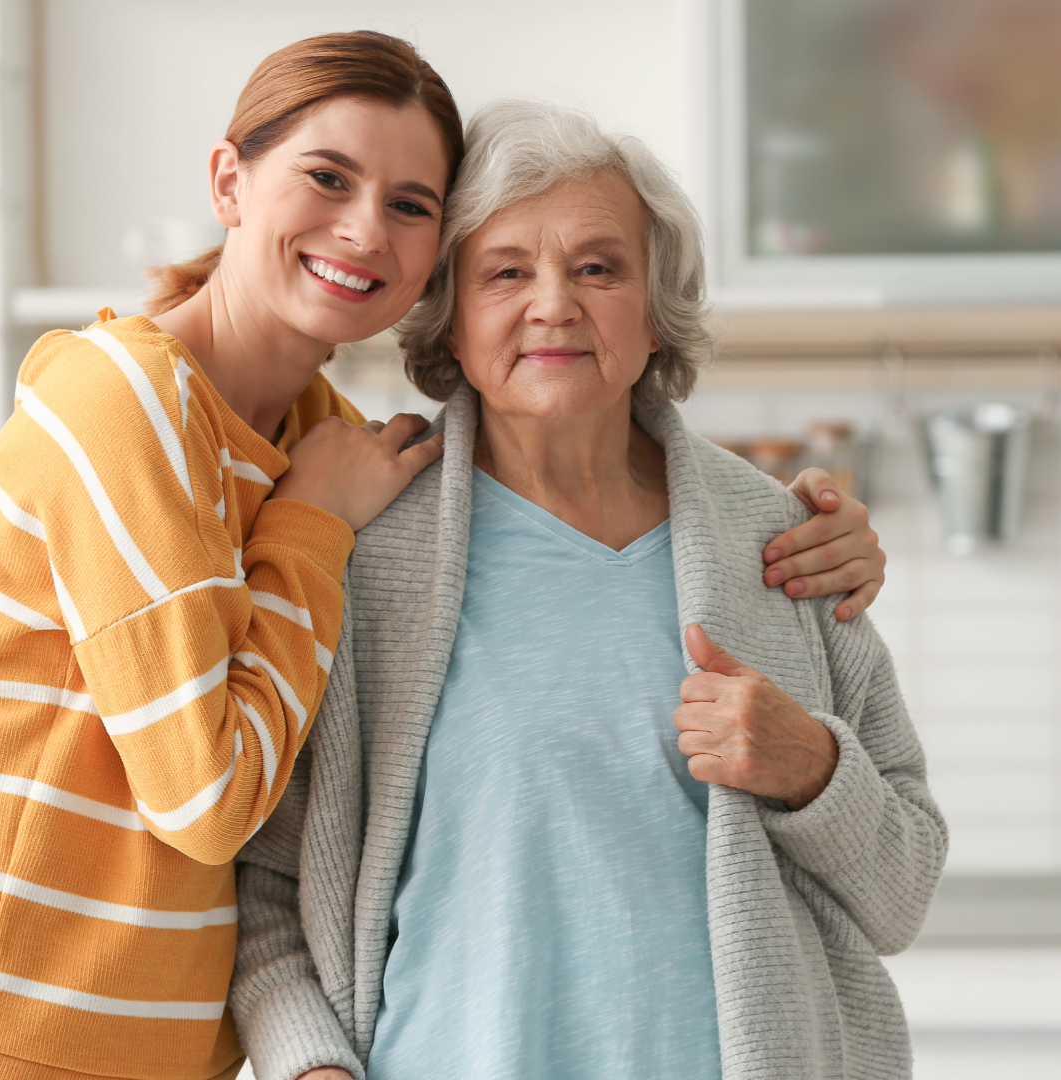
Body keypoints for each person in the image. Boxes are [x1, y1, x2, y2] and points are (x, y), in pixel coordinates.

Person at [0, 33, 887, 1080]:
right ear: (228, 180)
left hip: (153, 1055)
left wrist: (802, 533)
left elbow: (897, 872)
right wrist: (315, 524)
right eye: (327, 178)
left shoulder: (329, 450)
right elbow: (221, 811)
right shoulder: (133, 408)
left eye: (410, 204)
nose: (362, 229)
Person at [231, 100, 945, 1080]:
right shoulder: (364, 552)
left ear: (656, 312)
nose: (554, 304)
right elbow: (266, 887)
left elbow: (902, 891)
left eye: (598, 267)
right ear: (450, 310)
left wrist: (812, 769)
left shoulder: (783, 543)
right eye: (507, 270)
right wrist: (312, 1068)